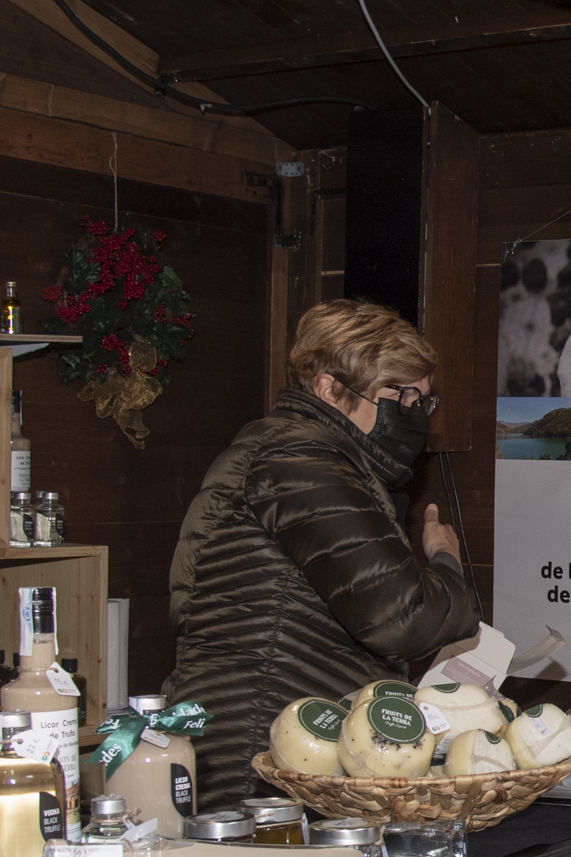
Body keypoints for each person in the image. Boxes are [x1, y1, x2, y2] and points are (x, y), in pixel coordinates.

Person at [165, 299, 479, 783]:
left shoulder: (303, 454)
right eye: (401, 398)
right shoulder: (300, 458)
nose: (415, 415)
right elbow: (405, 617)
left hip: (283, 736)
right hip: (262, 748)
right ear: (330, 388)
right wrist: (445, 560)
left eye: (424, 401)